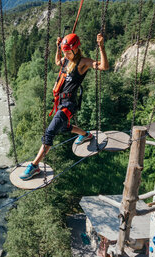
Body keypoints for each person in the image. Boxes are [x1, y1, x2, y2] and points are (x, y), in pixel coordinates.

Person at [20, 33, 109, 180]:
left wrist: (101, 47)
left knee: (49, 132)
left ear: (75, 49)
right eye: (64, 52)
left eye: (68, 52)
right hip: (60, 102)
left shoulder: (83, 62)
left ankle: (34, 166)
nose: (65, 55)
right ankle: (87, 135)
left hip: (68, 104)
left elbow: (104, 66)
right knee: (64, 127)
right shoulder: (65, 61)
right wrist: (57, 47)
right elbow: (57, 62)